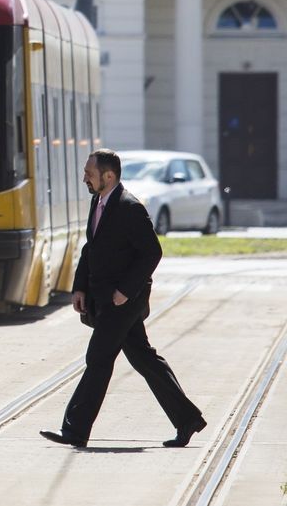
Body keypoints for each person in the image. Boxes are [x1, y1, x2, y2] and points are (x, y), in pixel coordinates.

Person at [41, 148, 206, 449]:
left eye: (89, 174)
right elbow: (91, 249)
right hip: (106, 298)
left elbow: (151, 252)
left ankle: (75, 430)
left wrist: (125, 291)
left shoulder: (129, 207)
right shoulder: (99, 201)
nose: (84, 179)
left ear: (109, 175)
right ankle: (187, 419)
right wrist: (79, 287)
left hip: (123, 302)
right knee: (145, 359)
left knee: (98, 359)